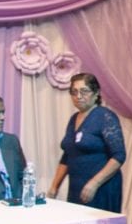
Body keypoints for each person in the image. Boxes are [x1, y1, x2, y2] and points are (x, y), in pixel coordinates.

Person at [47, 73, 126, 212]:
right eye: (74, 92)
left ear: (96, 93)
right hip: (76, 187)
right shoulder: (73, 119)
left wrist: (94, 183)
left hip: (101, 187)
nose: (78, 96)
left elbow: (119, 156)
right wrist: (54, 187)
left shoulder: (105, 116)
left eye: (84, 91)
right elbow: (67, 155)